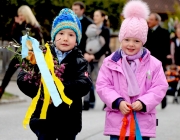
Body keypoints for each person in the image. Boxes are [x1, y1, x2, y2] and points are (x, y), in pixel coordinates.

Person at [96, 1, 168, 140]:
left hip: (142, 122)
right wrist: (117, 101)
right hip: (118, 121)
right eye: (127, 39)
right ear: (121, 39)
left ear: (143, 41)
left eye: (136, 41)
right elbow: (103, 85)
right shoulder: (110, 62)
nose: (131, 44)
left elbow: (160, 86)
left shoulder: (154, 64)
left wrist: (144, 102)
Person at [17, 8, 92, 140]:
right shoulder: (40, 57)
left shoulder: (79, 61)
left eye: (71, 35)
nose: (65, 38)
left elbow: (84, 84)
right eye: (61, 33)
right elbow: (23, 78)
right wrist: (42, 89)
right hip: (44, 119)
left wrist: (59, 88)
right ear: (54, 36)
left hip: (68, 121)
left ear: (77, 40)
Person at [0, 5, 43, 99]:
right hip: (19, 54)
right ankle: (1, 90)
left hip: (30, 56)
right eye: (19, 15)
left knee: (32, 76)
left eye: (21, 15)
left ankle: (37, 95)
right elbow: (13, 38)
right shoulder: (20, 26)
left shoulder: (34, 27)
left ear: (26, 14)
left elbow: (39, 41)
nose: (20, 17)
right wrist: (15, 25)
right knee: (8, 73)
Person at [85, 10, 111, 110]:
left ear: (103, 17)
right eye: (94, 15)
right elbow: (85, 42)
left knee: (102, 81)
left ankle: (107, 102)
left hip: (101, 58)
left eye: (97, 15)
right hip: (88, 58)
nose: (94, 17)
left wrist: (94, 56)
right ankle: (86, 102)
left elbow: (106, 47)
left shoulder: (105, 30)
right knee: (86, 79)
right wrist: (86, 54)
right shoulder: (90, 29)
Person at [144, 12, 170, 109]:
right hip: (147, 60)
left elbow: (166, 48)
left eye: (151, 19)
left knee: (160, 81)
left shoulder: (164, 32)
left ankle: (163, 99)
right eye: (149, 19)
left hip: (159, 60)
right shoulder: (146, 32)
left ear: (157, 21)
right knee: (147, 80)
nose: (149, 21)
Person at [72, 1, 95, 110]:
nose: (74, 12)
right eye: (73, 9)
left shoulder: (89, 23)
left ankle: (88, 101)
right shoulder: (70, 22)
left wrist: (89, 53)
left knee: (86, 78)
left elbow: (92, 41)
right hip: (73, 53)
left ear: (82, 10)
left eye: (76, 9)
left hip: (85, 54)